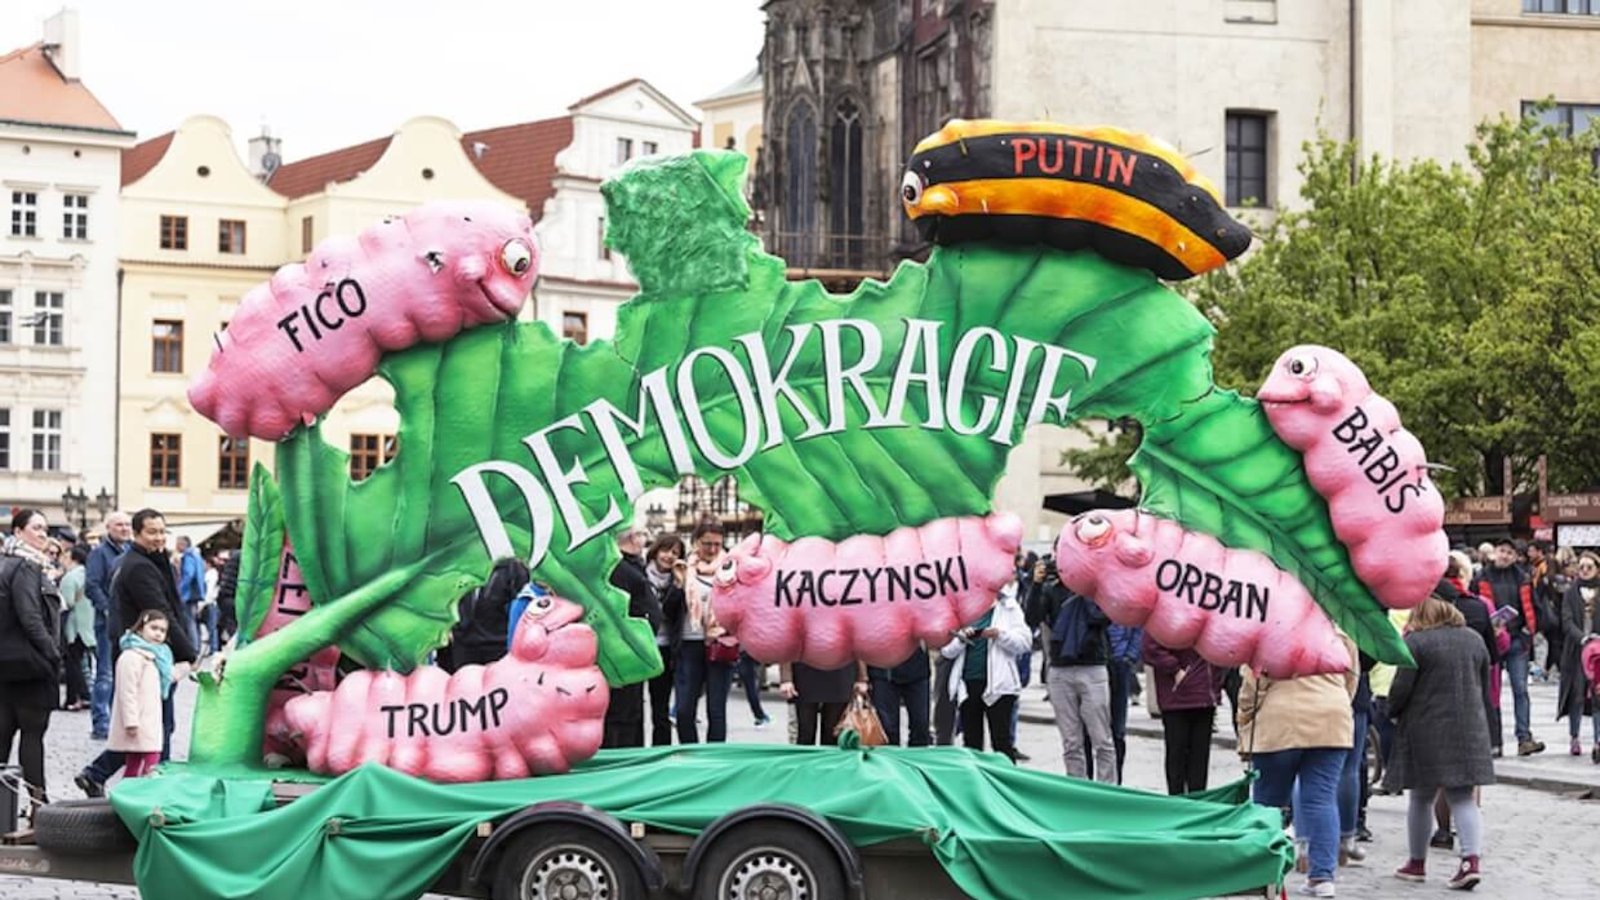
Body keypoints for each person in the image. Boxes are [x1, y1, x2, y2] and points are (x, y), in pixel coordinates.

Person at [76, 509, 198, 797]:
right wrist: (188, 652)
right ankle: (157, 787)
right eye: (151, 532)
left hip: (147, 651)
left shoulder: (149, 560)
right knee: (157, 724)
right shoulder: (140, 566)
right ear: (137, 533)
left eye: (161, 531)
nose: (158, 537)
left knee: (150, 723)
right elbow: (162, 613)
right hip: (147, 654)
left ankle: (97, 773)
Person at [1238, 633, 1358, 899]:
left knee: (1269, 804)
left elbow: (1253, 684)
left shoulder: (1274, 630)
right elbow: (1352, 677)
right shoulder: (1340, 632)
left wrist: (1244, 720)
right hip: (1331, 719)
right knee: (1322, 800)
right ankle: (1322, 877)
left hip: (1280, 720)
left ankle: (1261, 871)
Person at [1387, 597, 1494, 890]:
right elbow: (1483, 683)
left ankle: (1416, 862)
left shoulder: (1416, 643)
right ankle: (1470, 860)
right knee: (1462, 796)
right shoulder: (1474, 640)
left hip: (1425, 729)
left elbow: (1400, 689)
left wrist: (1391, 712)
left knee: (1421, 797)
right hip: (1470, 727)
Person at [0, 509, 64, 818]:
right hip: (30, 666)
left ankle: (5, 808)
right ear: (18, 532)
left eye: (45, 528)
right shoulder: (26, 566)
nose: (43, 534)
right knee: (31, 737)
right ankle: (39, 806)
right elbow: (31, 617)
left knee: (3, 738)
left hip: (7, 666)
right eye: (36, 528)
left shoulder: (5, 564)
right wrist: (52, 654)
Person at [1029, 558, 1116, 781]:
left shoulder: (1099, 588)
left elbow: (1104, 617)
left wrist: (1086, 587)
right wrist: (1036, 585)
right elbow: (1033, 618)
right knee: (1071, 742)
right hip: (1060, 669)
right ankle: (1077, 790)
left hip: (1093, 667)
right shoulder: (1052, 589)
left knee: (1102, 739)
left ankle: (1108, 791)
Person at [1471, 539, 1543, 756]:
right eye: (1502, 551)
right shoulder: (1481, 578)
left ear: (1515, 556)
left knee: (1520, 689)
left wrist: (1527, 631)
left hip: (1516, 640)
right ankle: (1495, 740)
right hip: (1491, 640)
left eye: (1509, 552)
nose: (1505, 555)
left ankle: (1524, 736)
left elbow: (1534, 607)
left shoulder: (1523, 578)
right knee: (1492, 692)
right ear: (1494, 553)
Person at [663, 521, 733, 743]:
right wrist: (678, 585)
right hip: (688, 642)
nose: (712, 549)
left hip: (719, 644)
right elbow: (668, 609)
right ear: (695, 542)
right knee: (684, 709)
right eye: (706, 544)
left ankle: (715, 758)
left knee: (716, 709)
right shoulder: (683, 568)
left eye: (717, 544)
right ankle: (690, 752)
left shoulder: (731, 568)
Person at [940, 588, 1030, 759]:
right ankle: (977, 782)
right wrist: (961, 638)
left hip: (1000, 685)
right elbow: (946, 651)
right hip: (968, 684)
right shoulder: (962, 610)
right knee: (972, 743)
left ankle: (1006, 782)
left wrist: (1000, 635)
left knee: (1002, 742)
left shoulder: (1009, 607)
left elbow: (1024, 643)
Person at [109, 610, 189, 779]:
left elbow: (170, 674)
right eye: (154, 628)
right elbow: (126, 692)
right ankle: (137, 797)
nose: (158, 634)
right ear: (141, 628)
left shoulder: (158, 656)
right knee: (147, 765)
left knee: (138, 763)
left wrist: (188, 666)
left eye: (162, 630)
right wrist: (131, 722)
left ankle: (128, 795)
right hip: (138, 723)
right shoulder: (131, 657)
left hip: (150, 722)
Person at [602, 528, 663, 748]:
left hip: (632, 649)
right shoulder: (620, 569)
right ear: (631, 538)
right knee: (622, 713)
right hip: (625, 650)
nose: (645, 540)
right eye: (642, 535)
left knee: (632, 710)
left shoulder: (632, 566)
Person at [1142, 634, 1221, 795]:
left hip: (1204, 695)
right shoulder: (1168, 613)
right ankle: (1178, 801)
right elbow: (1150, 647)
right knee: (1177, 756)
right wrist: (1175, 670)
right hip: (1178, 696)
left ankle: (1196, 802)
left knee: (1198, 758)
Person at [85, 511, 131, 740]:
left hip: (130, 623)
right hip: (107, 622)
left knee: (124, 674)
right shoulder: (99, 553)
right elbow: (91, 586)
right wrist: (108, 608)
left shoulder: (131, 551)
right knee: (105, 674)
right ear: (108, 528)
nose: (124, 528)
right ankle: (101, 723)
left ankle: (118, 722)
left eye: (127, 524)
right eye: (119, 524)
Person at [440, 557, 531, 671]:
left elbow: (521, 609)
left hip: (497, 646)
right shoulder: (460, 565)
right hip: (463, 644)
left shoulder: (511, 568)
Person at [1558, 551, 1600, 761]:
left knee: (1598, 696)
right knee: (1576, 695)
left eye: (1588, 567)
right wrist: (1581, 638)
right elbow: (1565, 621)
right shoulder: (1570, 592)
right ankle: (1574, 737)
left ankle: (1598, 740)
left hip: (1598, 652)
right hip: (1575, 651)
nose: (1584, 571)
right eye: (1581, 567)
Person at [643, 534, 683, 746]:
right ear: (656, 550)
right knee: (633, 706)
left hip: (665, 648)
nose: (669, 556)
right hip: (641, 646)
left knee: (661, 706)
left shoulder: (680, 581)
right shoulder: (640, 574)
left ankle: (660, 750)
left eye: (675, 553)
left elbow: (667, 612)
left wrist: (677, 585)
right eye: (666, 550)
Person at [780, 660, 868, 745]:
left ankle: (829, 759)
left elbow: (858, 646)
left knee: (832, 735)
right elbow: (788, 646)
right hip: (804, 672)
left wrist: (862, 677)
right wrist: (786, 678)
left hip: (840, 673)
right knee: (804, 734)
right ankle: (804, 759)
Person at [869, 645, 932, 746]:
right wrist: (862, 676)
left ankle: (917, 759)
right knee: (888, 730)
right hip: (883, 672)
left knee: (921, 726)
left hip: (918, 670)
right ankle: (890, 760)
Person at [59, 543, 94, 712]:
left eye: (65, 557)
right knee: (83, 661)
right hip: (89, 623)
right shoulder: (89, 574)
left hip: (74, 626)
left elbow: (66, 602)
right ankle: (84, 695)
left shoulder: (70, 577)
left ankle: (77, 697)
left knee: (72, 662)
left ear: (73, 559)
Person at [1106, 622, 1142, 782]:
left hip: (1120, 663)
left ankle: (1116, 779)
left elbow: (1138, 624)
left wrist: (1130, 656)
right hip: (1094, 661)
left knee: (1117, 730)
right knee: (1090, 730)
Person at [174, 535, 207, 654]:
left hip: (188, 595)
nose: (176, 546)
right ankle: (196, 645)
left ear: (183, 544)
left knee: (189, 622)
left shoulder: (188, 557)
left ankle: (193, 647)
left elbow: (188, 574)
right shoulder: (197, 556)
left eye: (177, 543)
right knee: (193, 621)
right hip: (196, 594)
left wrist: (180, 590)